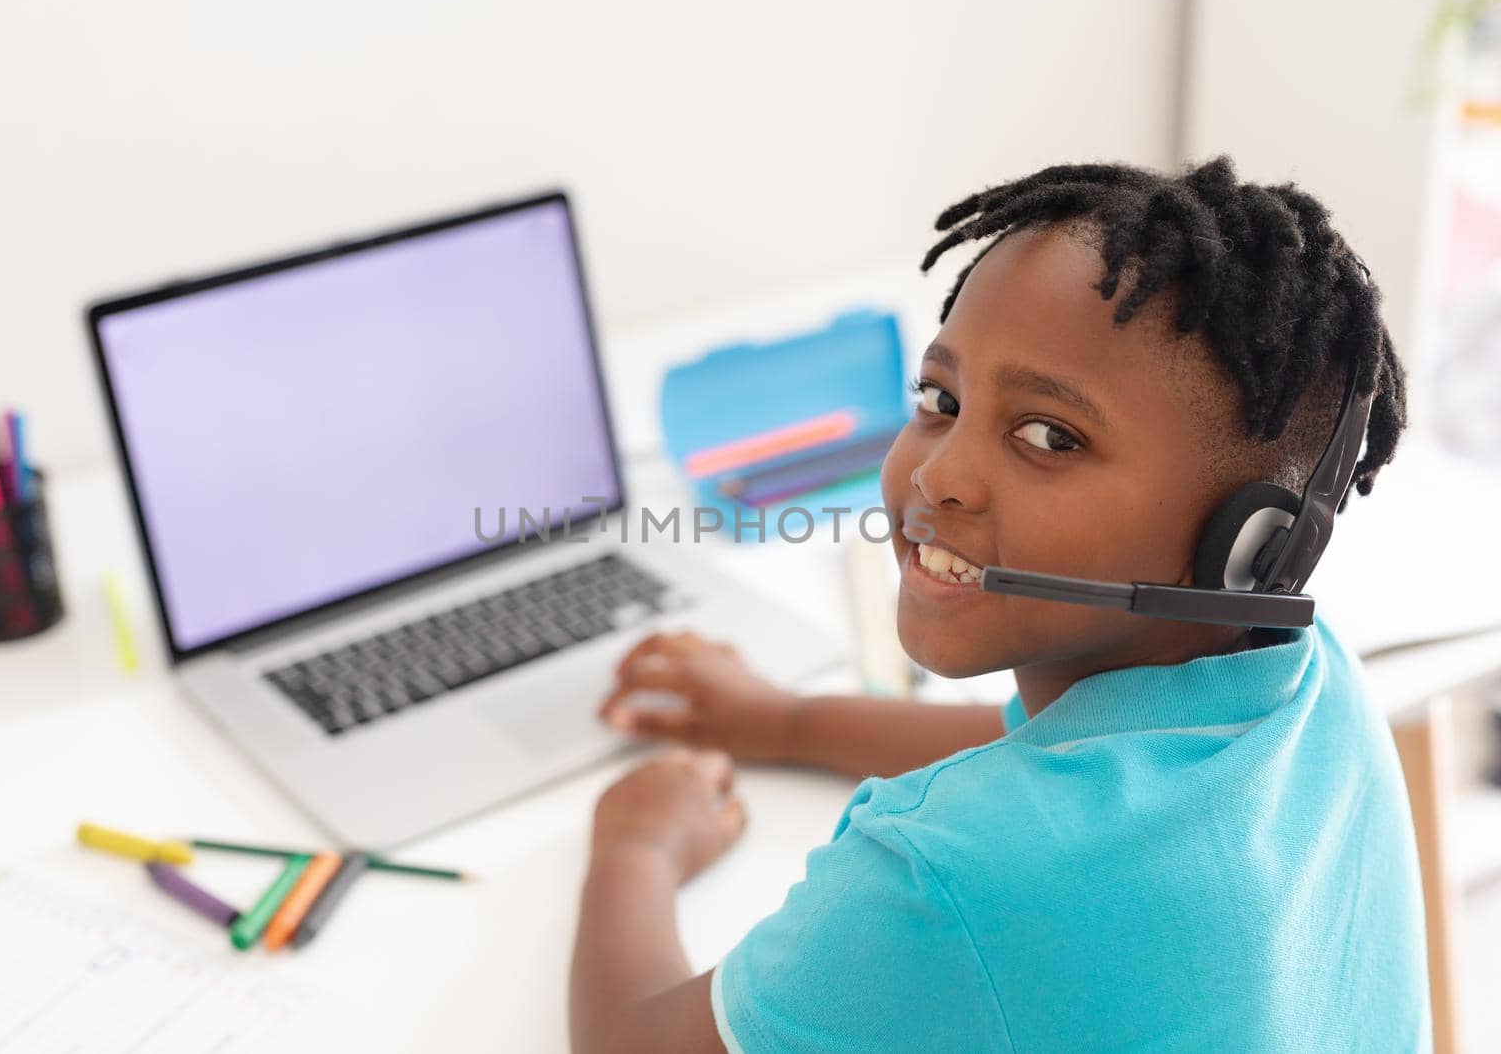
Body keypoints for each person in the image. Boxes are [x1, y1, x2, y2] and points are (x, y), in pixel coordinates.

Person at [568, 157, 1429, 1052]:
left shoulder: (949, 878)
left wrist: (637, 845)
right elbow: (1067, 766)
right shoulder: (1316, 686)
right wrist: (785, 720)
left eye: (1048, 436)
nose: (938, 474)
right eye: (941, 399)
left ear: (1248, 546)